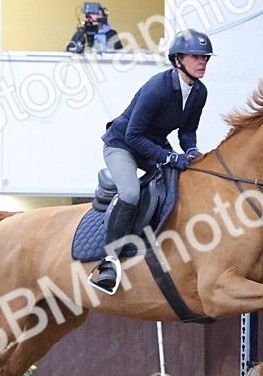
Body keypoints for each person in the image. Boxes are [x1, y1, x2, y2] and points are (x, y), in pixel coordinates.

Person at [90, 29, 213, 293]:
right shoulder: (157, 88)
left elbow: (187, 132)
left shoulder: (199, 92)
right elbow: (133, 135)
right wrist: (169, 156)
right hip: (122, 145)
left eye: (205, 58)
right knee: (131, 192)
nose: (202, 62)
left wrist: (191, 151)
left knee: (185, 182)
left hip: (151, 145)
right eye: (195, 57)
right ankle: (108, 261)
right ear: (178, 60)